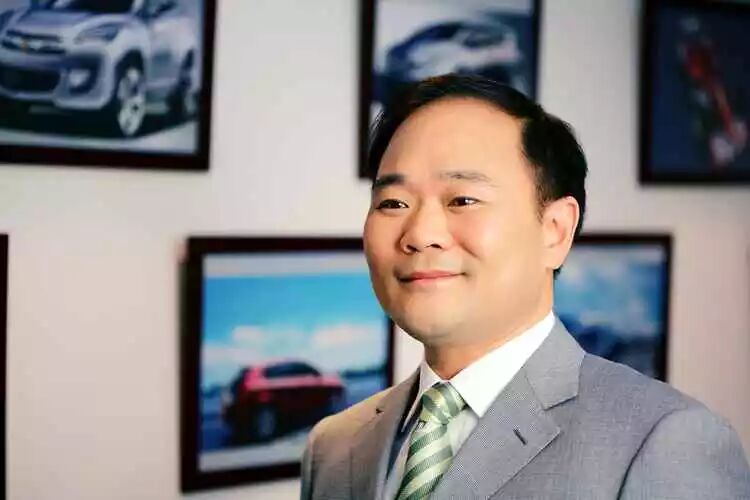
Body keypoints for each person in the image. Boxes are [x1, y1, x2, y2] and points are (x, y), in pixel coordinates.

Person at [300, 74, 750, 499]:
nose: (420, 234)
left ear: (555, 230)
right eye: (393, 203)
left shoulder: (666, 442)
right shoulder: (335, 446)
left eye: (462, 200)